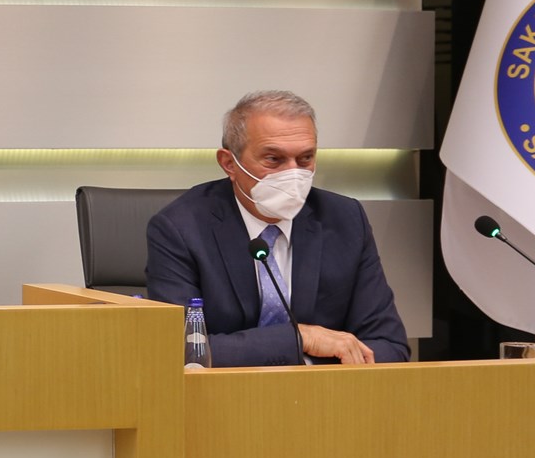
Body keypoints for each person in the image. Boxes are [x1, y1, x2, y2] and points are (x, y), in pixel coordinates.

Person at [146, 89, 408, 367]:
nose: (292, 173)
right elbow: (181, 350)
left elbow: (388, 346)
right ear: (229, 164)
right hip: (223, 392)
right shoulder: (180, 228)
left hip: (322, 391)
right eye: (274, 159)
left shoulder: (344, 219)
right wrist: (300, 339)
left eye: (305, 159)